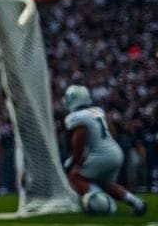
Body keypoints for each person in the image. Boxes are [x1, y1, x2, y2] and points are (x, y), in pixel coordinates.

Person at [62, 85, 146, 215]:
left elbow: (80, 140)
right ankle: (137, 203)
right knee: (106, 183)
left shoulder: (76, 117)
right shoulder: (97, 110)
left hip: (102, 155)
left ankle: (103, 204)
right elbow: (112, 132)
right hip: (114, 151)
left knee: (74, 176)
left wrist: (75, 162)